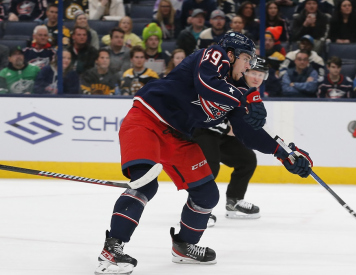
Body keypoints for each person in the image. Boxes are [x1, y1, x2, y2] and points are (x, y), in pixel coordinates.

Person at [93, 32, 313, 275]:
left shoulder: (239, 88)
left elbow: (247, 132)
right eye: (246, 58)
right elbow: (207, 84)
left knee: (207, 195)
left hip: (178, 136)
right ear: (231, 54)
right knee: (146, 183)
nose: (249, 65)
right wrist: (245, 97)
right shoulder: (214, 54)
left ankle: (184, 246)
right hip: (147, 119)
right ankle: (112, 251)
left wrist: (283, 153)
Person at [192, 58, 270, 224]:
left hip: (222, 135)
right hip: (204, 131)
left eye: (261, 75)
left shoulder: (252, 95)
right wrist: (232, 129)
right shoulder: (229, 84)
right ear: (245, 71)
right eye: (253, 73)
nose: (257, 78)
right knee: (210, 167)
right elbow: (210, 112)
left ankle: (234, 201)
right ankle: (200, 209)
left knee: (247, 160)